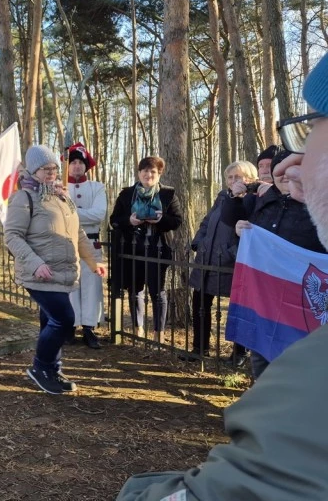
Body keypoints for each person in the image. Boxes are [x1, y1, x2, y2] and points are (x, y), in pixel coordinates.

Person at [115, 52, 328, 501]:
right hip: (242, 288)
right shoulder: (241, 199)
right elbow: (222, 222)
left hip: (285, 302)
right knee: (259, 360)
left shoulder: (316, 377)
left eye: (312, 134)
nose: (297, 165)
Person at [4, 145, 106, 395]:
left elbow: (79, 233)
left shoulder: (62, 197)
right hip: (40, 273)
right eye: (44, 169)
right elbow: (12, 236)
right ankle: (40, 367)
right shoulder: (24, 197)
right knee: (64, 319)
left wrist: (93, 261)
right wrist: (35, 263)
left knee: (51, 320)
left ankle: (52, 369)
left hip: (63, 272)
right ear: (33, 171)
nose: (51, 173)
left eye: (53, 168)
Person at [228, 148, 326, 379]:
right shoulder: (264, 202)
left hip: (303, 306)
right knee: (262, 359)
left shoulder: (320, 207)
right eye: (280, 171)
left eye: (295, 170)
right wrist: (240, 232)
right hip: (266, 301)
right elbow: (250, 239)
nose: (287, 175)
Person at [182, 160, 258, 362]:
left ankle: (239, 354)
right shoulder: (223, 197)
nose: (234, 181)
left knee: (239, 307)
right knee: (200, 303)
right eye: (230, 177)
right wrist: (199, 242)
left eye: (239, 177)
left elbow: (251, 232)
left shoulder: (253, 200)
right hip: (207, 258)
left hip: (232, 263)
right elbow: (207, 222)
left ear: (250, 178)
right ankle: (199, 348)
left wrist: (229, 252)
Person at [110, 157, 182, 344]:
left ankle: (159, 333)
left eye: (153, 172)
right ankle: (138, 328)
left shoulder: (168, 194)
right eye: (145, 171)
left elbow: (177, 221)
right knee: (135, 291)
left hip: (158, 249)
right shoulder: (127, 194)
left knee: (158, 292)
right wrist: (129, 221)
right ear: (139, 172)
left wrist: (161, 220)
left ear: (159, 174)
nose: (148, 175)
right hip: (132, 249)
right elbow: (114, 220)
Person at [65, 142, 107, 349]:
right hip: (67, 242)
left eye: (80, 162)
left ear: (86, 165)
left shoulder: (97, 188)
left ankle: (89, 327)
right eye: (72, 162)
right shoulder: (61, 188)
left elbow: (99, 214)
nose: (76, 166)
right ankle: (71, 326)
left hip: (91, 242)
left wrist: (70, 214)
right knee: (71, 284)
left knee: (91, 285)